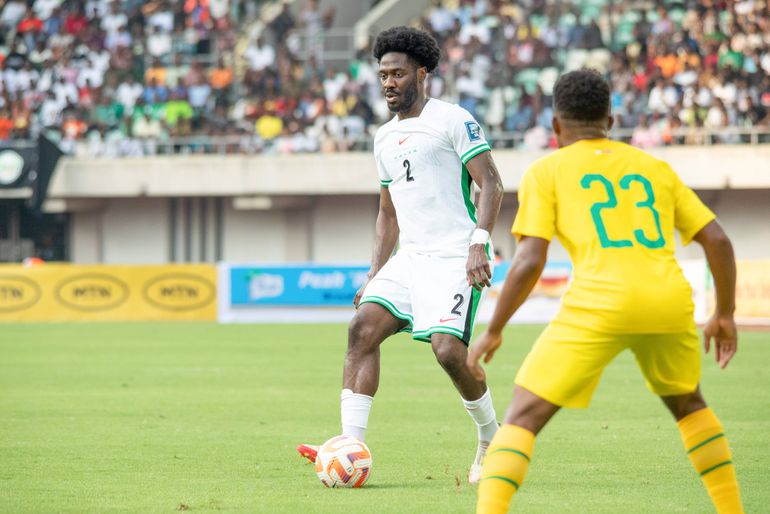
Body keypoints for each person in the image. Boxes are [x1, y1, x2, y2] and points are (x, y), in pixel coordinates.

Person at [467, 69, 744, 513]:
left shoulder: (547, 170)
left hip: (600, 303)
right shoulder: (654, 167)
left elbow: (531, 259)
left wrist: (495, 328)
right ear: (610, 122)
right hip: (667, 301)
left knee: (522, 415)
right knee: (689, 403)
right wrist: (724, 314)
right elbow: (719, 241)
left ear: (556, 126)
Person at [297, 26, 505, 483]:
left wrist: (479, 242)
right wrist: (375, 271)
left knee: (448, 351)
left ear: (422, 73)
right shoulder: (383, 137)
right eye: (383, 75)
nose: (388, 83)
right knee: (362, 329)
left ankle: (492, 438)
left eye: (397, 74)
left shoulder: (453, 119)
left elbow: (492, 183)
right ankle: (350, 446)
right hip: (410, 258)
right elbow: (387, 212)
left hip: (455, 256)